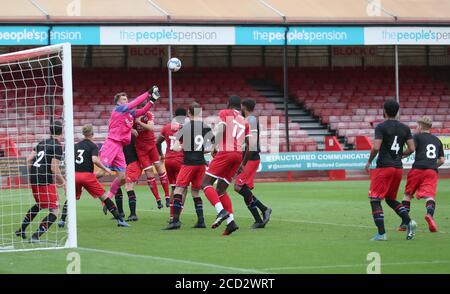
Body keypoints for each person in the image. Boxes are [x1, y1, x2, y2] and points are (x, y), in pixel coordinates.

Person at [365, 99, 417, 241]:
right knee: (390, 199)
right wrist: (400, 155)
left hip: (384, 167)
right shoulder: (405, 128)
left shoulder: (381, 127)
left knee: (375, 199)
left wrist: (369, 161)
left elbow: (376, 147)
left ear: (385, 111)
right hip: (398, 168)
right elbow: (412, 148)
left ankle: (381, 234)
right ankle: (409, 222)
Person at [98, 87, 160, 204]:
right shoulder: (119, 109)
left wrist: (152, 100)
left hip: (120, 147)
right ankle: (83, 181)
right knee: (102, 172)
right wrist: (148, 93)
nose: (126, 101)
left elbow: (142, 111)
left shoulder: (129, 114)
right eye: (123, 99)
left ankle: (107, 199)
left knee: (122, 177)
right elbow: (136, 102)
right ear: (118, 102)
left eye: (126, 99)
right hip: (111, 143)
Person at [59, 124, 129, 228]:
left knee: (71, 198)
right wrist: (105, 169)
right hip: (87, 176)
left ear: (83, 134)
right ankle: (120, 219)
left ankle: (62, 220)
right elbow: (95, 160)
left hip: (75, 175)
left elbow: (66, 161)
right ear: (92, 134)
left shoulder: (75, 146)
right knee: (104, 197)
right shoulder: (93, 146)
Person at [201, 95, 250, 235]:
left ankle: (221, 212)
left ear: (228, 104)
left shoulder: (225, 113)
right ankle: (231, 222)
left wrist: (215, 147)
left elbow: (221, 129)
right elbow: (250, 146)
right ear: (240, 107)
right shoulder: (244, 121)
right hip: (238, 155)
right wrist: (242, 163)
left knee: (205, 183)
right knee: (221, 190)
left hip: (226, 152)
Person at [16, 121, 65, 242]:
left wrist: (33, 174)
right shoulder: (57, 146)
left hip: (34, 176)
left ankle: (21, 229)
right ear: (61, 131)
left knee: (39, 205)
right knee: (55, 210)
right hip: (45, 179)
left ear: (50, 131)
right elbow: (54, 168)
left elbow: (28, 159)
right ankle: (35, 236)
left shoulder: (42, 142)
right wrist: (63, 182)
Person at [165, 102, 211, 230]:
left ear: (189, 113)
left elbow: (174, 147)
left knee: (179, 190)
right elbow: (213, 146)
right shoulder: (206, 127)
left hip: (188, 163)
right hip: (201, 164)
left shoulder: (185, 128)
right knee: (196, 192)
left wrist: (181, 147)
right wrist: (200, 150)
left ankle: (175, 221)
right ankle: (201, 221)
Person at [401, 116, 445, 232]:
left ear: (420, 126)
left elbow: (411, 149)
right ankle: (430, 215)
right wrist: (433, 166)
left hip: (417, 169)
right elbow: (441, 160)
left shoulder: (417, 137)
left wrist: (400, 155)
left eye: (416, 126)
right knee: (430, 196)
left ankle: (405, 223)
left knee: (407, 195)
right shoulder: (437, 140)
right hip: (431, 171)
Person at [234, 99, 272, 229]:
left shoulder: (251, 120)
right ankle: (258, 220)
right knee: (245, 190)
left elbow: (252, 143)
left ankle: (264, 208)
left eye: (241, 107)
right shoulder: (248, 120)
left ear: (244, 107)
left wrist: (243, 162)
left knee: (238, 187)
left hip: (251, 157)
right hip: (248, 157)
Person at [134, 105, 170, 209]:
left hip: (151, 146)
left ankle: (167, 196)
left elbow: (151, 127)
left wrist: (139, 122)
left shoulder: (148, 115)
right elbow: (127, 129)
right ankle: (158, 199)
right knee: (149, 173)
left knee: (159, 169)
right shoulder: (132, 117)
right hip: (141, 149)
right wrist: (131, 130)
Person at [157, 107, 186, 220]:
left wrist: (161, 154)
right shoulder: (185, 127)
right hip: (180, 160)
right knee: (182, 189)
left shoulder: (167, 127)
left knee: (174, 187)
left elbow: (157, 142)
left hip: (168, 160)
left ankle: (171, 216)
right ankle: (177, 216)